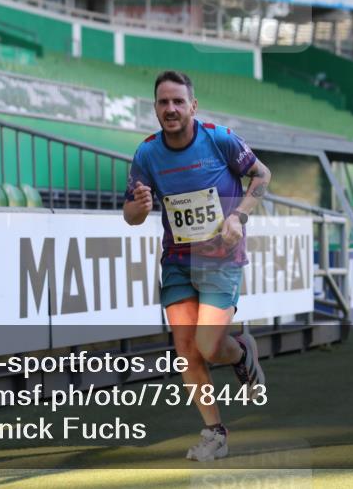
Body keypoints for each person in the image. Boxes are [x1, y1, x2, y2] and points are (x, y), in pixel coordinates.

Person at [123, 70, 272, 461]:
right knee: (186, 350)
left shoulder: (219, 138)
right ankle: (214, 432)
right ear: (155, 108)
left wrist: (238, 215)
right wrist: (137, 209)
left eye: (177, 101)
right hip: (177, 259)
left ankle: (240, 353)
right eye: (163, 102)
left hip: (221, 257)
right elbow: (132, 214)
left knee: (209, 345)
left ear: (193, 105)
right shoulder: (146, 153)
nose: (170, 109)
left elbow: (261, 174)